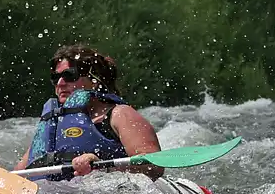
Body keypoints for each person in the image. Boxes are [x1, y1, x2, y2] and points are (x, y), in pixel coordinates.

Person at [14, 44, 164, 181]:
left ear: (94, 80)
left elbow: (154, 166)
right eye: (56, 77)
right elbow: (16, 177)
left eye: (69, 76)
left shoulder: (120, 114)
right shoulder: (53, 127)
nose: (60, 83)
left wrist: (102, 167)